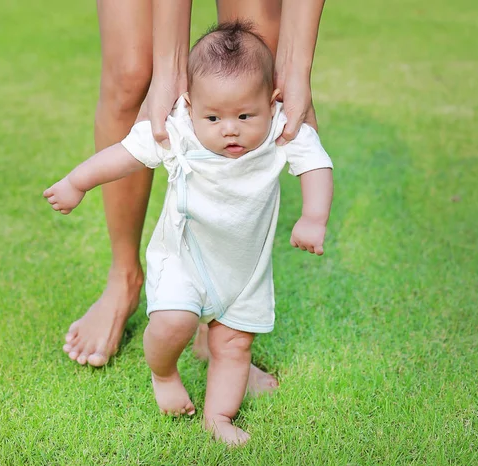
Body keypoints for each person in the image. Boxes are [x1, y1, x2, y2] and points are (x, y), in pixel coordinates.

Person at [44, 21, 333, 445]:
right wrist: (77, 182)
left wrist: (313, 216)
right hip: (183, 258)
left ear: (272, 103)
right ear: (189, 104)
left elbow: (316, 163)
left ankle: (218, 418)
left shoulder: (280, 129)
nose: (229, 129)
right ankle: (164, 373)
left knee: (234, 347)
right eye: (213, 116)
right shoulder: (181, 131)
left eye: (244, 115)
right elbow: (125, 155)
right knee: (172, 322)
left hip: (244, 273)